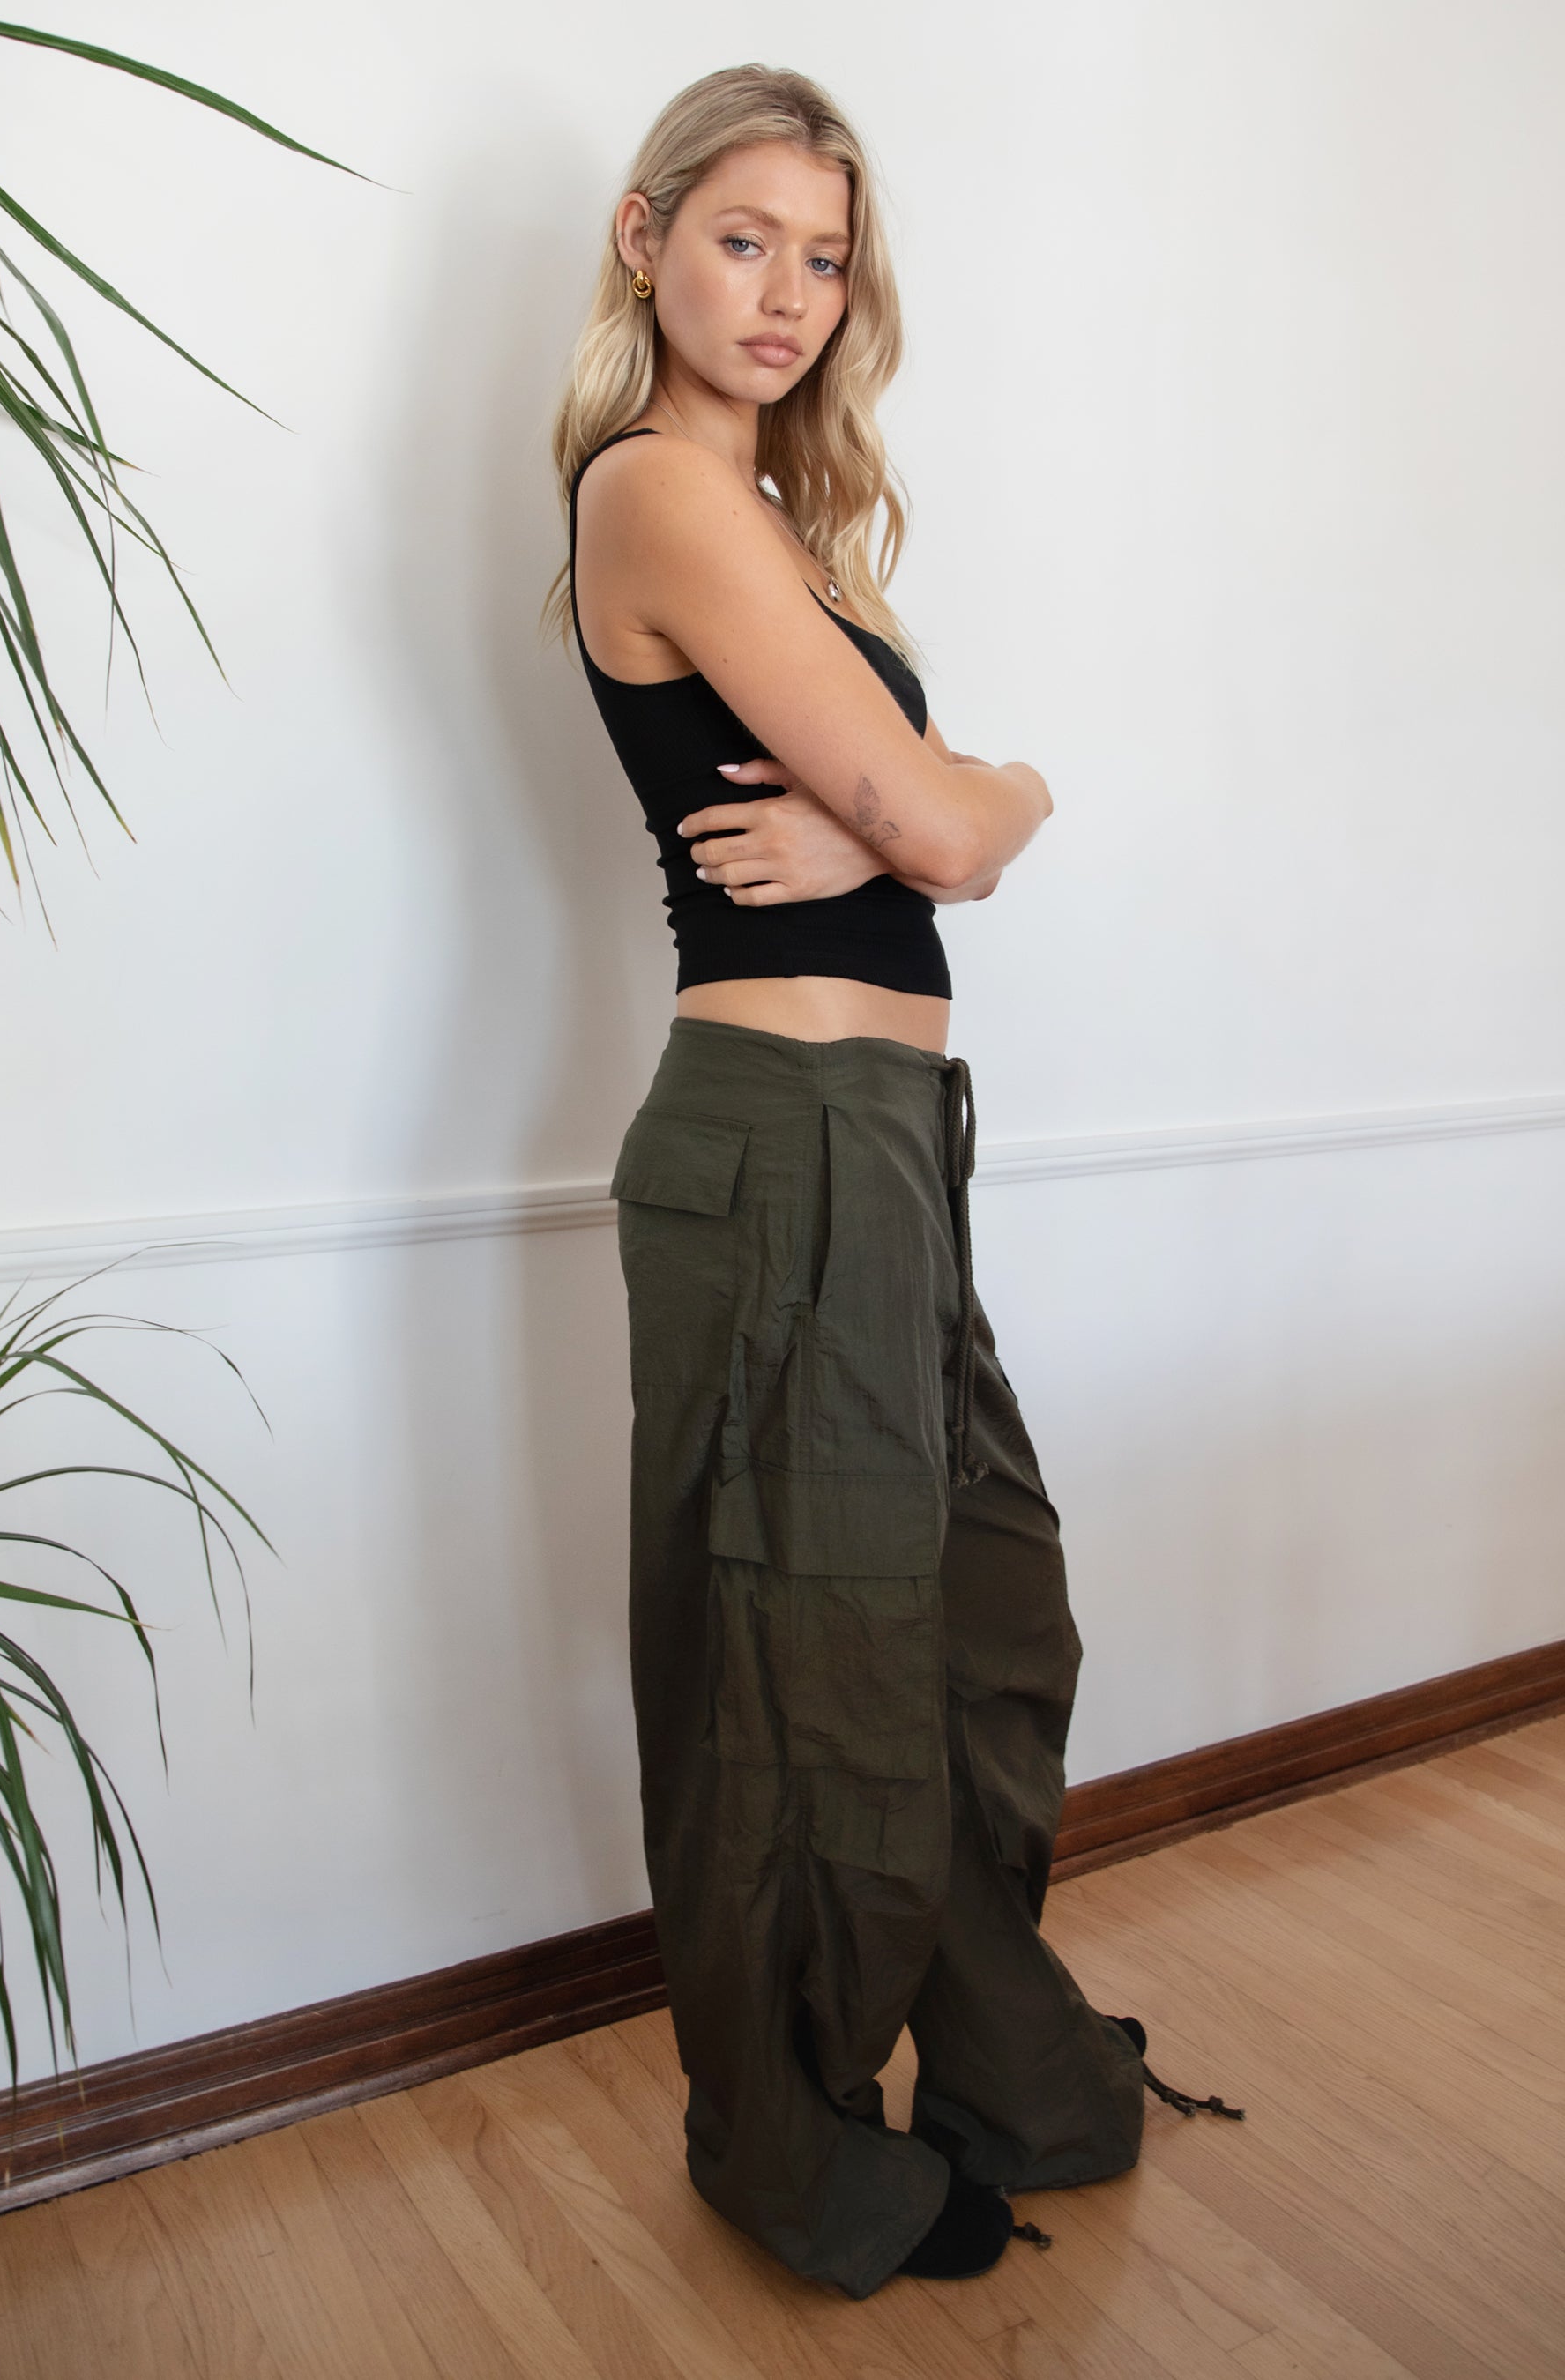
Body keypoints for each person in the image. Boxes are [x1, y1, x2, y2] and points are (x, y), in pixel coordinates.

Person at [542, 61, 1242, 2301]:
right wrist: (955, 798)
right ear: (647, 238)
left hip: (890, 1145)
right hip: (775, 1145)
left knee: (975, 1618)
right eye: (745, 236)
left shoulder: (790, 530)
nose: (788, 291)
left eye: (826, 255)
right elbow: (954, 835)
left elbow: (942, 817)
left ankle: (1016, 2061)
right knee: (795, 1670)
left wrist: (949, 796)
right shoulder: (654, 488)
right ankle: (787, 2146)